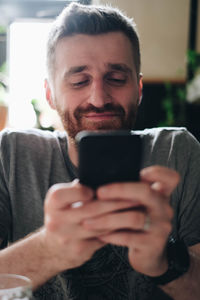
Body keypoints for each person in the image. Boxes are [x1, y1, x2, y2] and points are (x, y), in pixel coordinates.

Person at [0, 2, 200, 300]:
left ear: (139, 89)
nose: (99, 98)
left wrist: (164, 262)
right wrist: (49, 248)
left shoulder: (177, 152)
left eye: (117, 78)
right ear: (50, 95)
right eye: (79, 81)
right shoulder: (11, 155)